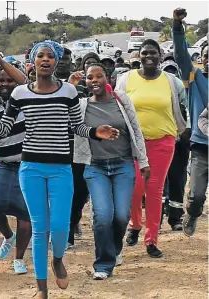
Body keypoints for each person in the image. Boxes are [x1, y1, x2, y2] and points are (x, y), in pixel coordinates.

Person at [0, 41, 119, 299]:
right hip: (30, 168)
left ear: (56, 62)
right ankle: (42, 288)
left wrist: (95, 132)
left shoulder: (68, 91)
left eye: (50, 56)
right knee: (40, 226)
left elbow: (76, 127)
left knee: (59, 227)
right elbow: (4, 130)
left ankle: (57, 259)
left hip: (60, 169)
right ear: (32, 61)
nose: (45, 60)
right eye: (40, 56)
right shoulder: (20, 94)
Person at [73, 63, 149, 280]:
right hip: (95, 166)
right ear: (85, 82)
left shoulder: (121, 100)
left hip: (123, 164)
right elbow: (67, 120)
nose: (94, 80)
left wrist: (143, 162)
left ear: (107, 79)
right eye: (90, 78)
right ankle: (103, 265)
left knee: (122, 216)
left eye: (99, 76)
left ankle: (115, 249)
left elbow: (136, 130)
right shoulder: (80, 106)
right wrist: (70, 85)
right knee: (103, 215)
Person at [116, 39, 186, 258]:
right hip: (134, 143)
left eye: (153, 53)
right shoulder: (126, 79)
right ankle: (135, 223)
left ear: (160, 55)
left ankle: (151, 240)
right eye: (145, 52)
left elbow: (182, 105)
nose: (149, 56)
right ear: (139, 55)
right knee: (135, 188)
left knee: (154, 191)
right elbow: (115, 105)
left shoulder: (172, 81)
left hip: (163, 142)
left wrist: (185, 129)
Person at [0, 52, 32, 275]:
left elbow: (25, 81)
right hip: (2, 163)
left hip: (28, 165)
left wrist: (1, 62)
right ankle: (8, 236)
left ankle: (19, 259)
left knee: (25, 214)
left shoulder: (31, 98)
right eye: (0, 79)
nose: (5, 83)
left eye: (9, 79)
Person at [173, 8, 208, 237]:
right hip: (201, 147)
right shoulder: (195, 77)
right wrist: (177, 26)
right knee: (196, 196)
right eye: (207, 54)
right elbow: (180, 55)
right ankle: (192, 213)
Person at [159, 59, 189, 231]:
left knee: (177, 180)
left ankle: (176, 217)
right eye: (166, 70)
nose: (170, 73)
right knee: (159, 181)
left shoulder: (183, 90)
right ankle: (159, 215)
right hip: (160, 141)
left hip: (179, 143)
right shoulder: (158, 93)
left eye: (173, 70)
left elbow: (188, 112)